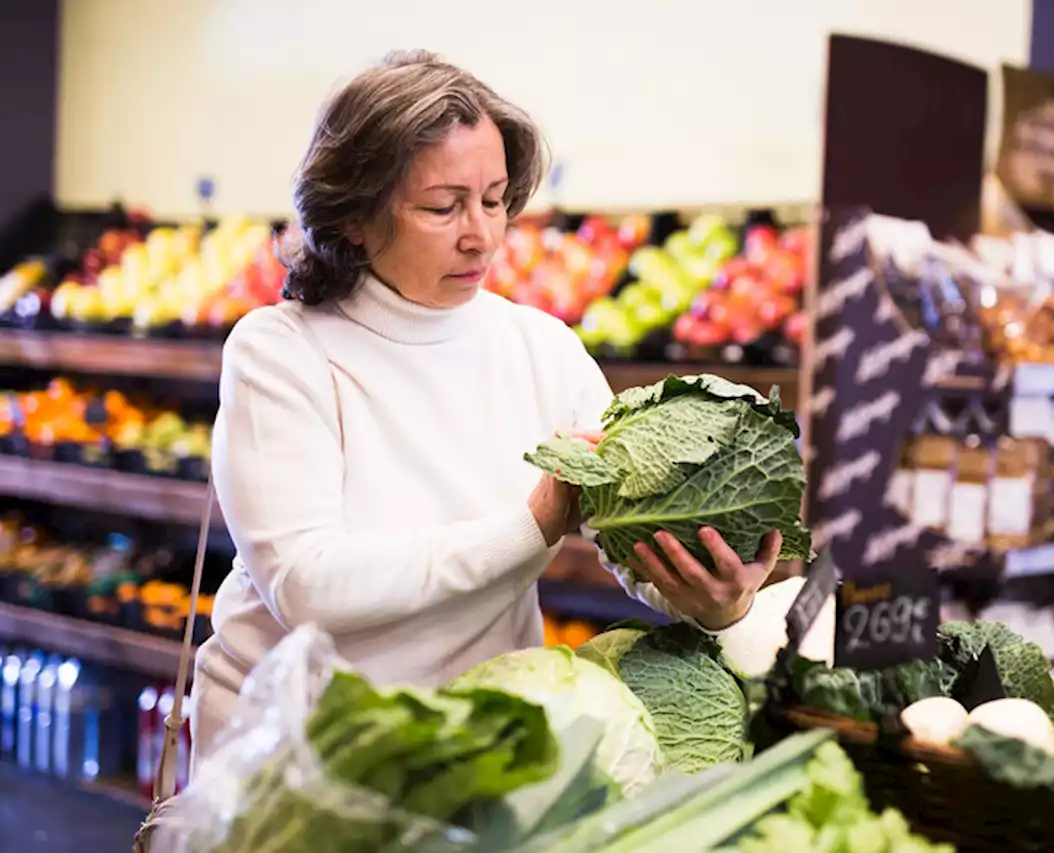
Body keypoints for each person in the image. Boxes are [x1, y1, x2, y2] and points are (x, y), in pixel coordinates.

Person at [191, 49, 783, 773]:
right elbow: (307, 585)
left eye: (496, 199)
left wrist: (712, 599)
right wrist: (530, 525)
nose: (483, 235)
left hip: (473, 750)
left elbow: (632, 533)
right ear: (352, 214)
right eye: (444, 207)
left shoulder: (539, 347)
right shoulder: (280, 353)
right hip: (295, 760)